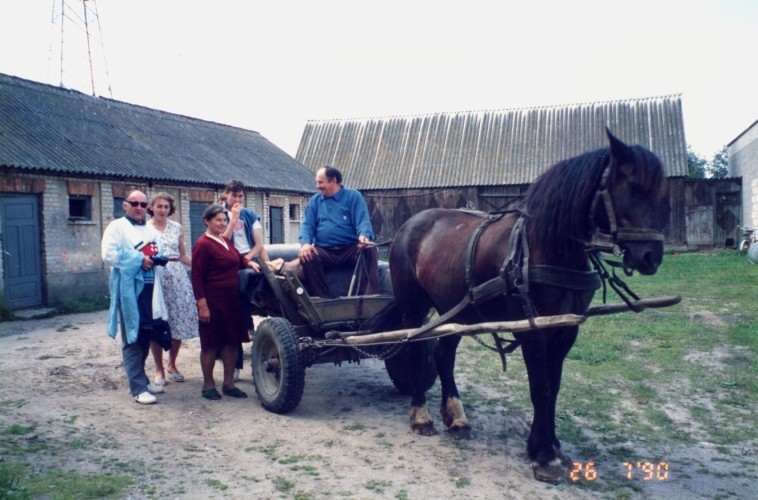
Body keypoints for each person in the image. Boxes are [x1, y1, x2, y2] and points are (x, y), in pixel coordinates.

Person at [102, 190, 170, 405]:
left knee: (146, 334)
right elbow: (109, 255)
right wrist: (139, 260)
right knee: (132, 336)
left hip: (151, 288)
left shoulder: (149, 229)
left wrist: (156, 258)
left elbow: (155, 251)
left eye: (143, 204)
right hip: (130, 289)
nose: (139, 207)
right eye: (134, 203)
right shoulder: (117, 227)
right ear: (125, 205)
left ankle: (142, 379)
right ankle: (138, 388)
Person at [191, 204, 260, 400]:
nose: (222, 223)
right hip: (213, 301)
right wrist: (202, 305)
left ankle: (228, 384)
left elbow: (237, 257)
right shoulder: (203, 244)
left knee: (232, 342)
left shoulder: (224, 240)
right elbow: (196, 277)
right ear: (207, 221)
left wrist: (249, 263)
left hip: (232, 300)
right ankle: (208, 384)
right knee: (211, 345)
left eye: (224, 220)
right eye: (218, 220)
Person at [299, 166, 379, 298]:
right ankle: (323, 301)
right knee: (308, 257)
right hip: (325, 251)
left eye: (320, 182)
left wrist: (364, 236)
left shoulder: (353, 196)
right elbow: (306, 225)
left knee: (370, 248)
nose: (317, 186)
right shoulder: (315, 201)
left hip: (350, 249)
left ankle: (371, 298)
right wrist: (306, 243)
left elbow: (363, 221)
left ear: (333, 181)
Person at [147, 193, 199, 386]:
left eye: (166, 207)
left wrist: (200, 267)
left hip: (177, 278)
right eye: (159, 206)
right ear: (151, 207)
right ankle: (159, 369)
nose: (162, 210)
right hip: (155, 278)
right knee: (157, 322)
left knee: (179, 321)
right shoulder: (145, 228)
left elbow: (183, 255)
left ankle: (172, 364)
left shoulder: (177, 227)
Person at [221, 180, 269, 381]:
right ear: (226, 195)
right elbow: (221, 242)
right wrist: (232, 219)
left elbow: (258, 244)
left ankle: (249, 320)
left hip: (248, 259)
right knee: (237, 286)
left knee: (251, 274)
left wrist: (246, 259)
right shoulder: (218, 215)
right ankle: (246, 324)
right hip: (226, 261)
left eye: (240, 196)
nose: (237, 200)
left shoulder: (250, 215)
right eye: (234, 196)